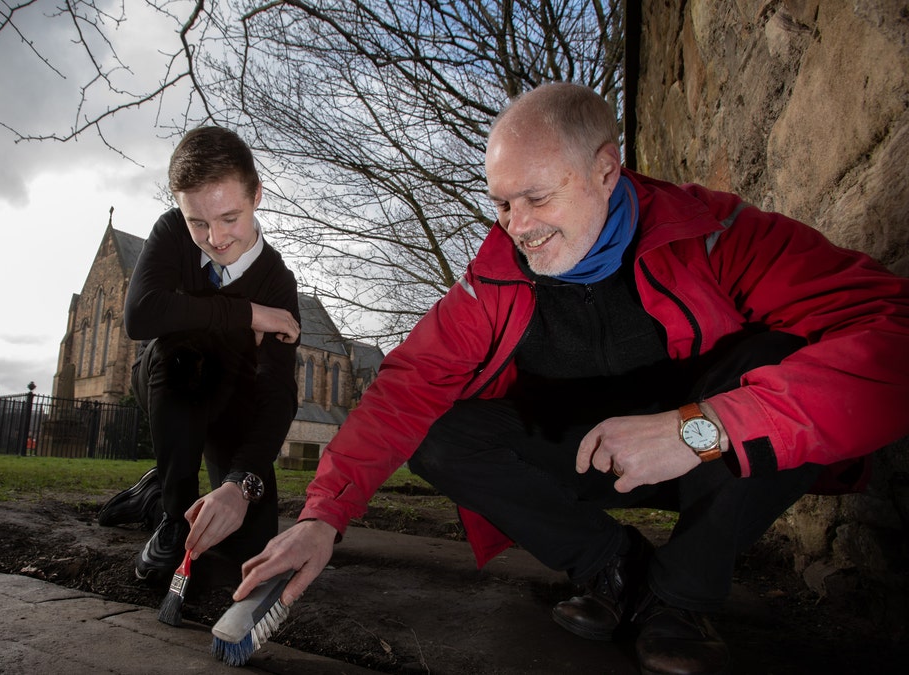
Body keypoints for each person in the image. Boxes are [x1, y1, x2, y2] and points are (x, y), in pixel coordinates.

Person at [234, 83, 909, 674]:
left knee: (787, 351)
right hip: (584, 455)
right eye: (501, 203)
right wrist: (324, 515)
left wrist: (704, 426)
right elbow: (402, 389)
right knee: (436, 428)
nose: (517, 227)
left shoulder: (720, 235)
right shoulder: (491, 279)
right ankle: (619, 571)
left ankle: (680, 599)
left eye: (536, 196)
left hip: (709, 454)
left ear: (606, 170)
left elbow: (893, 338)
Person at [105, 126, 301, 585]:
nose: (214, 238)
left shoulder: (278, 284)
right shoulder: (172, 231)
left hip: (233, 407)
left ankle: (155, 493)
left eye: (230, 218)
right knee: (186, 346)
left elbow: (277, 394)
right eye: (198, 221)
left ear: (257, 194)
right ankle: (173, 514)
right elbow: (141, 316)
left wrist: (241, 482)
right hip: (171, 378)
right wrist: (247, 313)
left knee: (247, 544)